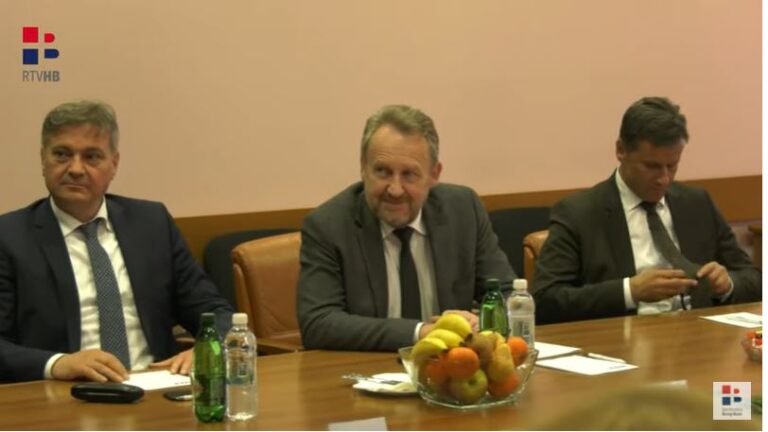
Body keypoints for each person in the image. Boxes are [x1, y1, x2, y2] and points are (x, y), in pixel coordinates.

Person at [0, 100, 233, 383]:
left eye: (92, 157)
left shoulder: (151, 223)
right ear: (43, 159)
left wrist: (208, 347)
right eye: (62, 154)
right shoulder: (9, 237)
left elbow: (215, 312)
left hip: (156, 385)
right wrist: (57, 363)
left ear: (114, 164)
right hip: (66, 392)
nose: (76, 168)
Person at [297, 104, 515, 351]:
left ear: (434, 174)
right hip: (367, 369)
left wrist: (480, 321)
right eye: (382, 172)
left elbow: (509, 295)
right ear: (363, 167)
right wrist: (421, 332)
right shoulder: (329, 225)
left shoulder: (463, 210)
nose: (395, 189)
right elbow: (319, 323)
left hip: (453, 366)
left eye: (409, 174)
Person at [533, 96, 760, 324]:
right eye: (652, 166)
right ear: (621, 150)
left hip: (697, 333)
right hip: (620, 337)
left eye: (672, 166)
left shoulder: (697, 203)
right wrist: (629, 291)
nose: (664, 179)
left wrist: (728, 284)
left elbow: (753, 279)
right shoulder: (578, 213)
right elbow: (546, 300)